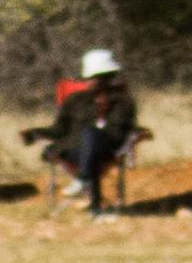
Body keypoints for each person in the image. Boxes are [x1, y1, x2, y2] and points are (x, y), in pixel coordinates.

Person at [50, 48, 140, 205]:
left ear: (109, 78)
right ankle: (91, 200)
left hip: (107, 150)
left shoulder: (122, 101)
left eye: (100, 78)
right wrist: (34, 133)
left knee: (91, 135)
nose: (92, 81)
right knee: (89, 143)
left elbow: (118, 132)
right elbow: (60, 128)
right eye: (91, 77)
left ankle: (83, 181)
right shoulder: (75, 100)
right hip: (75, 151)